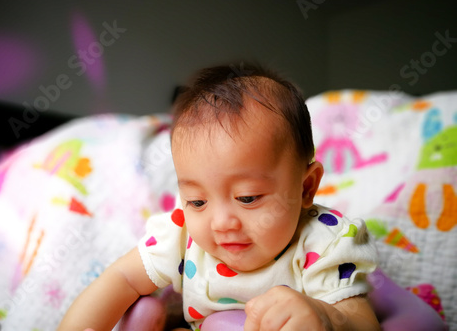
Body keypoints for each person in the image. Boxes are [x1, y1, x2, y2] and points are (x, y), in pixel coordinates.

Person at [57, 63, 380, 331]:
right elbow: (121, 278)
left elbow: (363, 323)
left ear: (306, 187)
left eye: (248, 197)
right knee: (144, 313)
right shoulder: (182, 235)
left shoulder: (324, 244)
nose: (222, 223)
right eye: (197, 201)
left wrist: (329, 319)